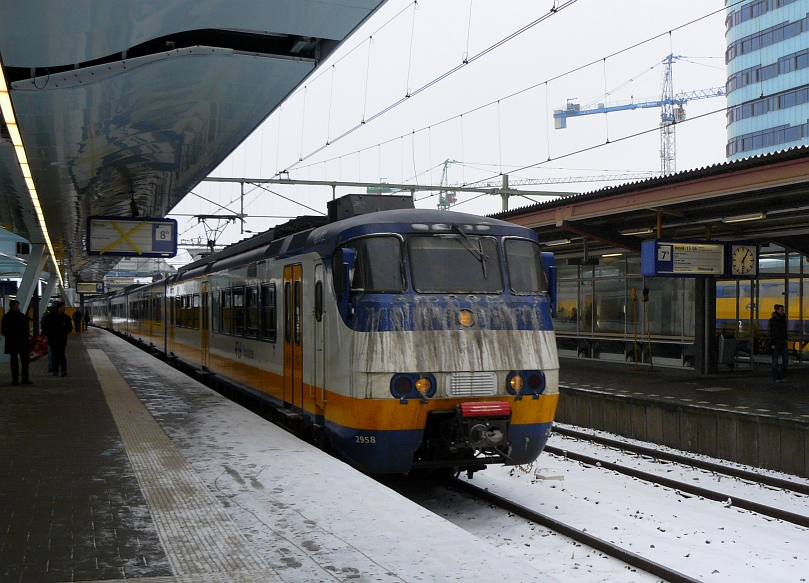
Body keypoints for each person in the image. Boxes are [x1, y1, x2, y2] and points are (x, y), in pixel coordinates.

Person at [1, 299, 33, 385]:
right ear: (11, 306)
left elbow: (26, 328)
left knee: (24, 360)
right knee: (15, 361)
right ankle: (15, 379)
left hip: (21, 341)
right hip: (13, 342)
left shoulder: (21, 316)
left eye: (17, 305)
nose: (16, 307)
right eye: (15, 305)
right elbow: (4, 330)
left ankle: (24, 378)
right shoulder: (7, 317)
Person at [42, 301, 73, 377]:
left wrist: (64, 333)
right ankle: (55, 370)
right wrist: (48, 333)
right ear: (59, 308)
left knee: (61, 354)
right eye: (63, 307)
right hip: (53, 339)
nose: (65, 308)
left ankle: (63, 370)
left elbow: (70, 328)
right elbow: (44, 326)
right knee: (54, 355)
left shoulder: (66, 318)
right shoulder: (50, 317)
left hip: (62, 339)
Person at [769, 303, 788, 383]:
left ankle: (779, 376)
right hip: (777, 341)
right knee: (776, 361)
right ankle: (778, 376)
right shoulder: (774, 320)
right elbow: (772, 332)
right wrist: (773, 343)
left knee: (784, 360)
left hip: (781, 341)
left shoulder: (782, 319)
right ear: (777, 310)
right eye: (781, 309)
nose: (783, 311)